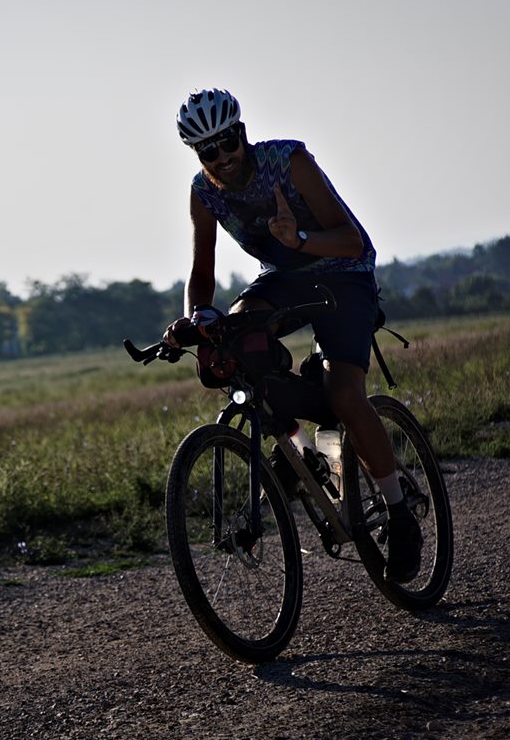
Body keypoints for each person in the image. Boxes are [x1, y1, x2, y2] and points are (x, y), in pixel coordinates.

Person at [162, 87, 421, 582]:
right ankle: (302, 450)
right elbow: (202, 272)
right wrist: (195, 319)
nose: (223, 156)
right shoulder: (204, 192)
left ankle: (398, 510)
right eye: (208, 150)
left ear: (242, 133)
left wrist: (298, 239)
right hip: (285, 280)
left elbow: (350, 237)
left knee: (345, 394)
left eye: (228, 141)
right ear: (197, 154)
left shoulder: (289, 160)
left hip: (344, 272)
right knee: (230, 338)